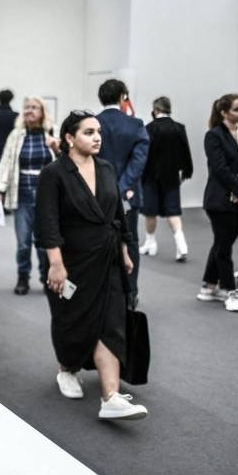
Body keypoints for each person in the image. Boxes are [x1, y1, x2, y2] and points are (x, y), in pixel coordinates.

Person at [35, 110, 145, 421]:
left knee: (110, 322)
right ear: (69, 138)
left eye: (98, 131)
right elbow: (47, 223)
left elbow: (118, 216)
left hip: (107, 257)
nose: (97, 137)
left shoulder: (107, 168)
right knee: (72, 320)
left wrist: (125, 251)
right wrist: (55, 264)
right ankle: (66, 368)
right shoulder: (54, 174)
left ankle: (110, 396)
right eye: (88, 132)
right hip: (71, 261)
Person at [0, 96, 59, 294]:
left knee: (45, 241)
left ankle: (46, 277)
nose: (29, 110)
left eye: (34, 107)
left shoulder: (51, 132)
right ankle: (23, 277)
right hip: (23, 195)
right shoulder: (16, 135)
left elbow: (65, 162)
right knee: (23, 242)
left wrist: (56, 147)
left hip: (48, 197)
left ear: (42, 112)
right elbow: (5, 162)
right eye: (26, 107)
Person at [197, 93, 238, 313]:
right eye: (236, 109)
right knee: (224, 247)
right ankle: (229, 290)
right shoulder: (213, 136)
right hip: (220, 201)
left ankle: (208, 285)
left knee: (222, 243)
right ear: (224, 112)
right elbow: (219, 168)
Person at [96, 79, 149, 306]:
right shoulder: (136, 125)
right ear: (122, 98)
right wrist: (123, 188)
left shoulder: (92, 124)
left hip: (97, 193)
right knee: (131, 242)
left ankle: (103, 291)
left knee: (98, 241)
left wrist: (108, 189)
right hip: (128, 196)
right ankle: (130, 292)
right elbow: (138, 162)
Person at [139, 96, 193, 261]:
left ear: (155, 110)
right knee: (173, 211)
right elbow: (185, 151)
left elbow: (144, 155)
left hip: (150, 177)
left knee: (150, 212)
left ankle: (150, 243)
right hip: (171, 176)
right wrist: (187, 171)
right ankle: (181, 243)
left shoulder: (149, 128)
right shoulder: (179, 128)